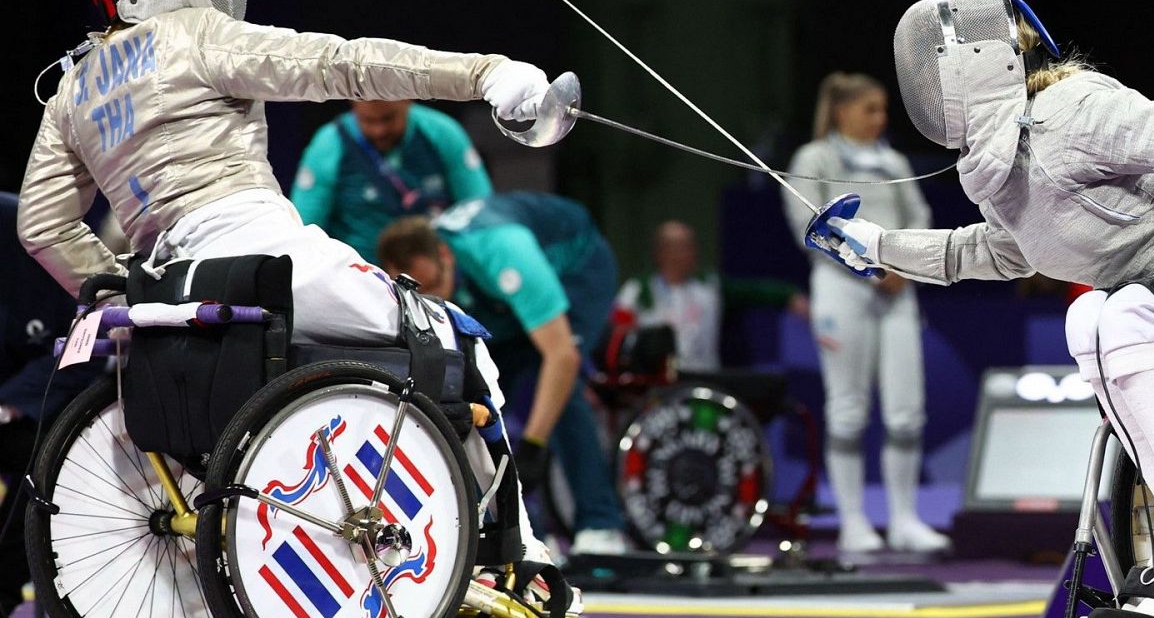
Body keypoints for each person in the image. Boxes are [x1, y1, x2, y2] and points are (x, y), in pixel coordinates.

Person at [17, 0, 568, 602]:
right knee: (457, 342)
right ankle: (516, 553)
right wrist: (486, 74)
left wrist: (124, 290)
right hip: (266, 259)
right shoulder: (197, 35)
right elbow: (344, 66)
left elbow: (42, 225)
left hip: (171, 287)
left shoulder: (73, 88)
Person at [817, 0, 1154, 618]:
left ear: (977, 62)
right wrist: (875, 245)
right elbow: (988, 251)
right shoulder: (1002, 172)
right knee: (1087, 319)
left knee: (1122, 315)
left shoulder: (1073, 110)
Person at [377, 194, 630, 555]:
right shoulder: (432, 257)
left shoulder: (503, 250)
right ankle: (526, 533)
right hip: (495, 293)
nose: (428, 298)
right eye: (419, 291)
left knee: (562, 388)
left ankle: (601, 525)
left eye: (432, 286)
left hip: (577, 270)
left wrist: (534, 445)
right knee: (473, 391)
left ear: (445, 257)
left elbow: (562, 356)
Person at [782, 72, 947, 555]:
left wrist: (902, 262)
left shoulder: (892, 160)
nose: (881, 118)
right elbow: (806, 225)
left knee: (906, 411)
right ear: (841, 112)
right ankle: (853, 521)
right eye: (869, 109)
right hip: (841, 288)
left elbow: (918, 217)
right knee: (848, 409)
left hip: (897, 290)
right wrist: (868, 265)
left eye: (882, 109)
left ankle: (904, 519)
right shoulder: (814, 159)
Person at [0, 193, 106, 618]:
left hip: (26, 409)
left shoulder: (33, 230)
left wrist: (10, 403)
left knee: (43, 473)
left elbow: (80, 341)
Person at [292, 99, 493, 263]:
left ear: (407, 100)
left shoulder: (443, 133)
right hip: (364, 279)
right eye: (368, 121)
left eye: (388, 119)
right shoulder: (328, 145)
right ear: (353, 104)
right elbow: (304, 229)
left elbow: (480, 211)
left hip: (436, 279)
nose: (379, 131)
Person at [614, 220, 808, 373]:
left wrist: (789, 296)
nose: (691, 253)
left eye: (691, 246)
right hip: (654, 384)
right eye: (682, 247)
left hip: (703, 380)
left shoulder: (708, 286)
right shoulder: (637, 291)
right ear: (663, 252)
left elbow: (753, 291)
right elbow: (617, 337)